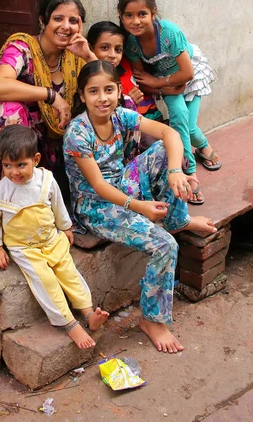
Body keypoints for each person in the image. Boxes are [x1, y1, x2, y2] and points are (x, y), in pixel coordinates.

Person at [63, 60, 216, 353]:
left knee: (167, 151)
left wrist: (174, 171)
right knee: (164, 246)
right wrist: (139, 206)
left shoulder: (121, 116)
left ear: (119, 91)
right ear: (82, 96)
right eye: (93, 92)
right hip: (96, 206)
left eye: (109, 90)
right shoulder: (77, 133)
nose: (102, 98)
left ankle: (177, 218)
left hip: (122, 184)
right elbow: (97, 185)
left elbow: (170, 134)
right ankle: (152, 320)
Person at [0, 125, 109, 348]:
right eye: (7, 166)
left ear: (36, 159)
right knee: (46, 280)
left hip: (51, 239)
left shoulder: (46, 181)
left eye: (21, 164)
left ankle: (89, 314)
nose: (14, 172)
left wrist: (65, 227)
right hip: (25, 248)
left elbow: (58, 205)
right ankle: (69, 323)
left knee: (69, 272)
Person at [118, 0, 221, 205]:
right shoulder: (131, 44)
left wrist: (159, 83)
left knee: (188, 126)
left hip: (189, 76)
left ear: (153, 13)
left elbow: (187, 72)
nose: (135, 21)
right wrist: (163, 89)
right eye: (129, 15)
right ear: (121, 16)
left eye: (142, 14)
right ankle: (194, 164)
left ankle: (197, 158)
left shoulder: (169, 33)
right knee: (180, 117)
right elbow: (142, 79)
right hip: (169, 85)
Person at [0, 0, 97, 177]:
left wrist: (88, 56)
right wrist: (51, 96)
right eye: (58, 18)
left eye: (73, 21)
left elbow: (109, 91)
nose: (65, 27)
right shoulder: (23, 48)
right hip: (23, 141)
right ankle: (13, 185)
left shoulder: (76, 57)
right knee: (10, 108)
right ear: (43, 22)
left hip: (58, 143)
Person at [87, 20, 161, 119]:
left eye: (118, 50)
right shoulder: (90, 78)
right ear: (90, 48)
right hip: (129, 125)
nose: (112, 55)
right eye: (104, 48)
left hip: (153, 116)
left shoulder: (126, 64)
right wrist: (127, 102)